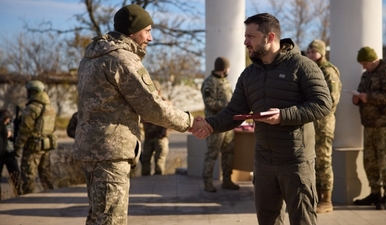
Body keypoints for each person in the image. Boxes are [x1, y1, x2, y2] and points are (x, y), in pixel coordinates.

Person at [73, 4, 211, 224]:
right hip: (111, 151)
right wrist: (189, 122)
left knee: (98, 216)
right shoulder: (122, 59)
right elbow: (152, 106)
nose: (151, 37)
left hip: (90, 149)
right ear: (132, 31)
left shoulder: (90, 58)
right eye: (146, 30)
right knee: (110, 220)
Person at [193, 13, 332, 225]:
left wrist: (283, 116)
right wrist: (210, 125)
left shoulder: (302, 66)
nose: (245, 41)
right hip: (263, 161)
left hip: (296, 161)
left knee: (302, 220)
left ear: (270, 37)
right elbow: (233, 112)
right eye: (245, 36)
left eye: (251, 36)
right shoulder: (249, 75)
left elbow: (323, 104)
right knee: (268, 220)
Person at [352, 46, 386, 210]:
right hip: (369, 124)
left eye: (365, 63)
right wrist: (357, 98)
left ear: (373, 60)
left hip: (385, 125)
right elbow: (360, 92)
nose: (363, 66)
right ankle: (375, 193)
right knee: (370, 161)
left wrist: (368, 97)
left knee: (385, 162)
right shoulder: (366, 75)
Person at [306, 39, 342, 213]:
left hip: (323, 123)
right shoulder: (310, 70)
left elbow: (332, 101)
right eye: (309, 52)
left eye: (314, 52)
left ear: (322, 53)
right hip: (310, 123)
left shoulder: (328, 71)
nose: (311, 55)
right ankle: (315, 197)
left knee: (324, 161)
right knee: (312, 162)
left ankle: (326, 200)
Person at [200, 57, 239, 192]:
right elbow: (209, 102)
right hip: (214, 125)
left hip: (228, 124)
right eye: (228, 68)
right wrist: (226, 105)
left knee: (229, 152)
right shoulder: (209, 82)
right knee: (212, 153)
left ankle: (227, 180)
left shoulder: (226, 82)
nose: (229, 70)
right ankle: (207, 182)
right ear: (224, 68)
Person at [14, 80, 57, 195]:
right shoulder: (50, 107)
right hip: (46, 146)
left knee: (28, 176)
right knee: (46, 175)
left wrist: (17, 147)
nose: (27, 93)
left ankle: (28, 200)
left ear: (33, 91)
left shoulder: (32, 108)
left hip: (33, 147)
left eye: (28, 91)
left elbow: (24, 131)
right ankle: (52, 197)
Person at [140, 81, 170, 176]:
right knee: (145, 162)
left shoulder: (165, 103)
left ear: (159, 91)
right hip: (149, 137)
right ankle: (145, 185)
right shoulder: (145, 104)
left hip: (160, 138)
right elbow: (140, 119)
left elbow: (170, 121)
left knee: (159, 164)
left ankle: (157, 185)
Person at [0, 109, 21, 198]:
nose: (7, 121)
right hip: (0, 154)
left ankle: (19, 193)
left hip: (10, 153)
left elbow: (17, 135)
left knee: (15, 175)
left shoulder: (12, 125)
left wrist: (11, 134)